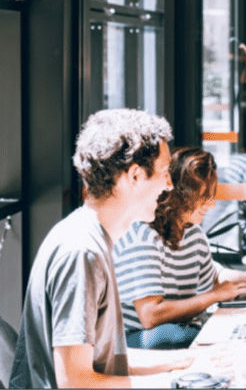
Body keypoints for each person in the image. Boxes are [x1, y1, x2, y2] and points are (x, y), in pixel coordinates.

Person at [10, 108, 192, 388]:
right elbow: (75, 382)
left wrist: (188, 362)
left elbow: (106, 364)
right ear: (134, 176)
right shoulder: (82, 252)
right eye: (164, 172)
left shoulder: (87, 236)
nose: (169, 185)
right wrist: (172, 383)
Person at [113, 146, 246, 349]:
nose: (211, 205)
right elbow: (150, 316)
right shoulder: (143, 237)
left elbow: (216, 276)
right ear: (180, 195)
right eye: (204, 197)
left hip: (179, 330)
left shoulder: (193, 233)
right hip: (137, 338)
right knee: (170, 335)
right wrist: (213, 296)